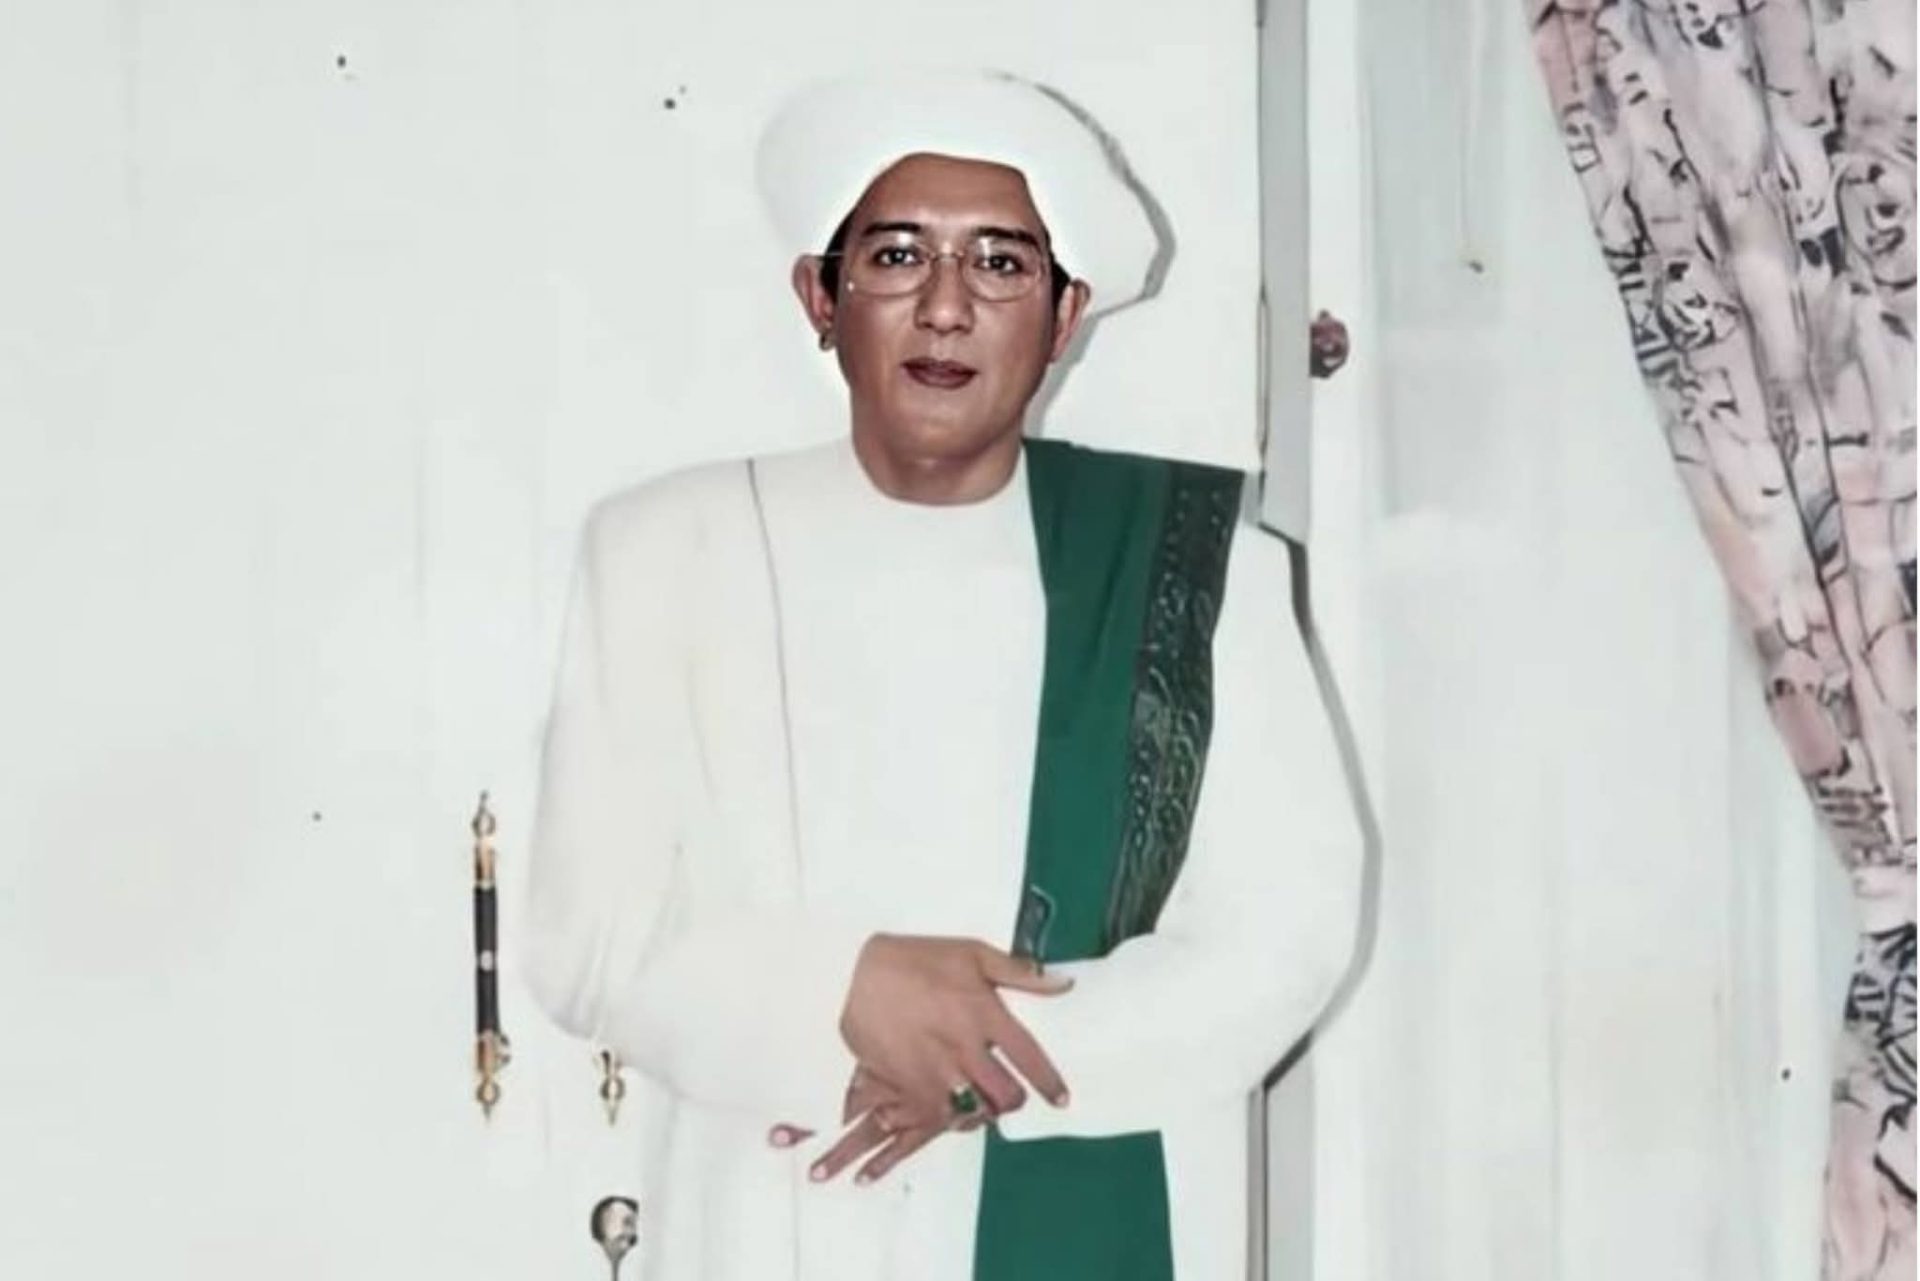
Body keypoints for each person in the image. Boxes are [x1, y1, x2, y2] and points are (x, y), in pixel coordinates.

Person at [523, 69, 1361, 1281]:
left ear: (1064, 318)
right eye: (899, 257)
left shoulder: (1190, 563)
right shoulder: (667, 549)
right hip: (770, 1206)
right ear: (821, 296)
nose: (948, 307)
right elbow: (588, 933)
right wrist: (845, 991)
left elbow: (1285, 929)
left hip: (1082, 1153)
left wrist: (975, 1062)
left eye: (1003, 264)